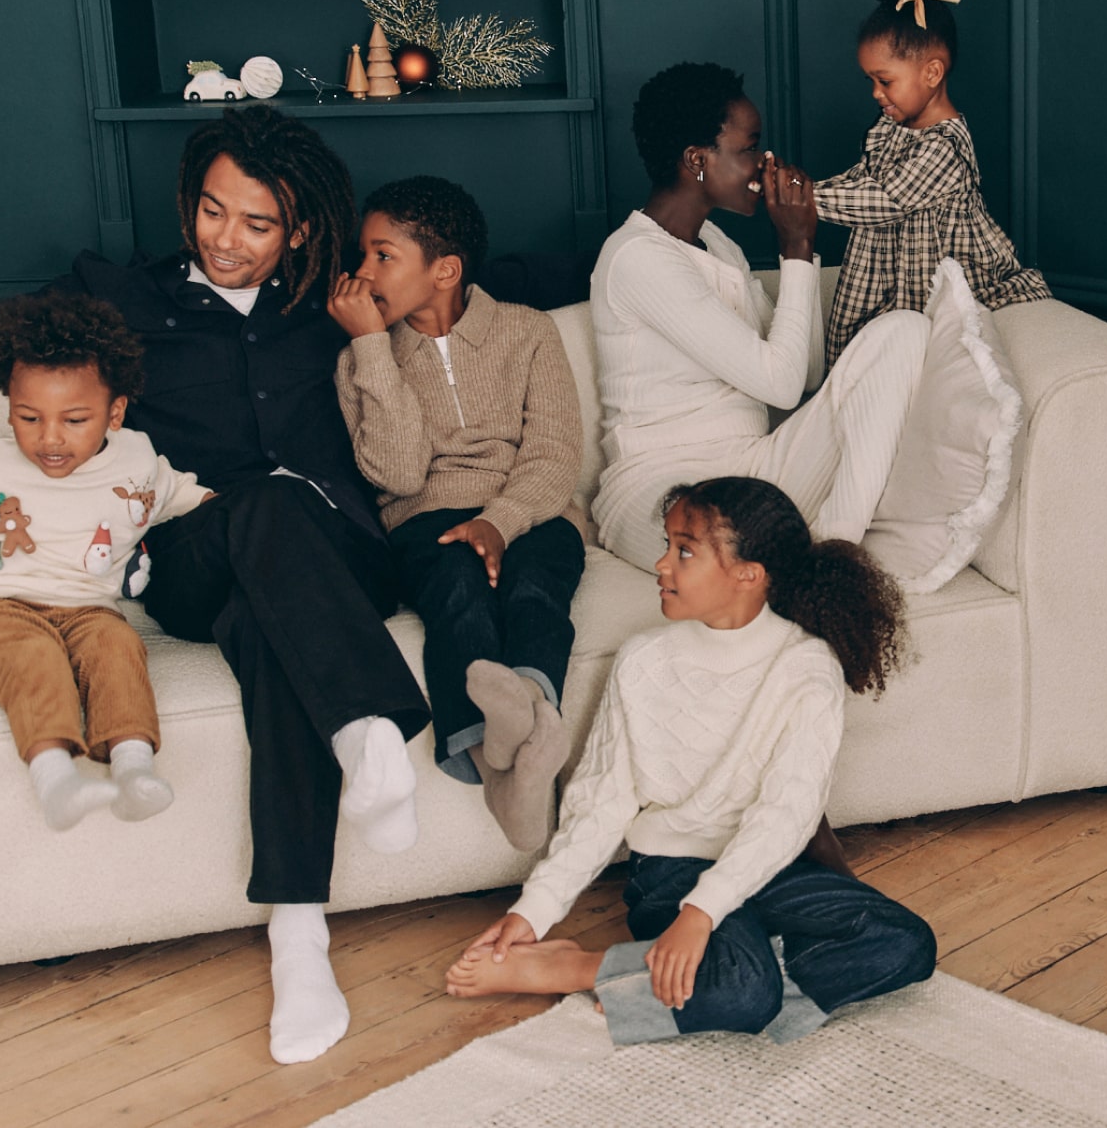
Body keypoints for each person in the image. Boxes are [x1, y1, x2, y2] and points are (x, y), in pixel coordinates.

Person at [0, 105, 429, 1066]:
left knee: (271, 608)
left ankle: (299, 934)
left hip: (336, 556)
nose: (226, 239)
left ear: (300, 230)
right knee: (256, 512)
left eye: (257, 223)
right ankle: (366, 730)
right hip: (192, 555)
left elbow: (503, 278)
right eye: (211, 211)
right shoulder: (124, 295)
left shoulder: (332, 300)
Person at [443, 476, 936, 1046]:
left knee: (906, 943)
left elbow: (786, 815)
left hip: (774, 866)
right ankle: (597, 967)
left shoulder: (807, 667)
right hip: (671, 870)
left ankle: (611, 971)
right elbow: (601, 804)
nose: (662, 564)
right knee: (746, 991)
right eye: (668, 545)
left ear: (748, 574)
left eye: (684, 550)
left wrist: (704, 914)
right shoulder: (642, 660)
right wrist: (534, 910)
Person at [587, 61, 931, 574]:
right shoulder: (637, 257)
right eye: (750, 148)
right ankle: (824, 566)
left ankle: (838, 549)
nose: (765, 163)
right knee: (724, 549)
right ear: (696, 160)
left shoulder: (718, 245)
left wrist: (800, 248)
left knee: (905, 331)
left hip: (755, 469)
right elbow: (783, 384)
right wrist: (796, 245)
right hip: (660, 486)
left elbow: (804, 374)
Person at [330, 175, 586, 851]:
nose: (363, 271)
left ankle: (522, 729)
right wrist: (372, 348)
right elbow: (398, 474)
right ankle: (499, 765)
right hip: (426, 518)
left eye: (383, 255)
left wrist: (500, 521)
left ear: (444, 270)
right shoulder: (359, 361)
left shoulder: (528, 332)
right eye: (363, 254)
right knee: (458, 593)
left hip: (533, 511)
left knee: (535, 587)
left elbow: (555, 451)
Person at [0, 291, 207, 831]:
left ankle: (133, 766)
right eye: (28, 418)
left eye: (74, 420)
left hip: (88, 611)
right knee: (34, 655)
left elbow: (186, 495)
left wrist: (242, 511)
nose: (49, 438)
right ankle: (55, 779)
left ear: (114, 413)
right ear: (9, 409)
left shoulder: (137, 458)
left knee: (119, 646)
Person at [815, 0, 1047, 366]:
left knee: (915, 352)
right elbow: (863, 178)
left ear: (932, 72)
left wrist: (804, 199)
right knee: (857, 359)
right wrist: (801, 185)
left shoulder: (945, 148)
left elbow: (885, 199)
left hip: (929, 278)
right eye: (870, 81)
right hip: (888, 271)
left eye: (885, 80)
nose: (875, 93)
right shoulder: (892, 126)